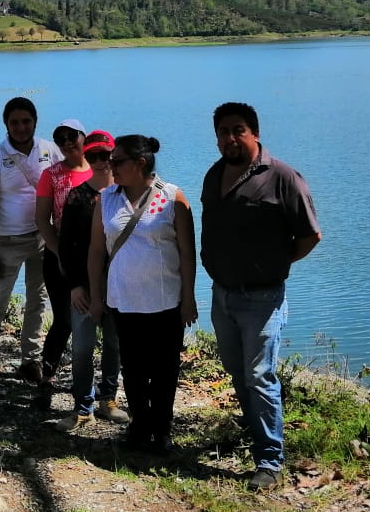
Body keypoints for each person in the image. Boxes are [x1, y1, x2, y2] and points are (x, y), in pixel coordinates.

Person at [200, 102, 321, 491]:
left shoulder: (283, 177)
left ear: (254, 133)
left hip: (262, 297)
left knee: (259, 375)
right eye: (223, 132)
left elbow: (309, 236)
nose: (230, 138)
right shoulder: (214, 175)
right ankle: (255, 432)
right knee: (238, 373)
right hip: (223, 294)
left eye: (238, 130)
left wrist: (273, 264)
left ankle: (269, 460)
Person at [88, 134, 196, 453]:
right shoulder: (105, 199)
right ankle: (139, 427)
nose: (111, 166)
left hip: (166, 302)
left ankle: (161, 430)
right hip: (123, 300)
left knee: (164, 370)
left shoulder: (173, 197)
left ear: (141, 163)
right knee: (133, 369)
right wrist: (96, 296)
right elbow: (96, 252)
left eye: (117, 161)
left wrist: (189, 298)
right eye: (110, 160)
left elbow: (187, 252)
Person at [0, 97, 63, 399]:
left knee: (38, 301)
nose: (21, 127)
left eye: (26, 121)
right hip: (7, 241)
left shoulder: (50, 150)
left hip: (42, 237)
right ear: (6, 125)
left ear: (35, 121)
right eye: (14, 122)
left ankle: (30, 360)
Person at [53, 130, 128, 432]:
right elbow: (66, 246)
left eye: (105, 156)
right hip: (84, 287)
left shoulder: (125, 195)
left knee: (114, 344)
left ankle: (108, 399)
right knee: (82, 348)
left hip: (119, 287)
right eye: (93, 156)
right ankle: (83, 406)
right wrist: (74, 285)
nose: (100, 162)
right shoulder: (77, 197)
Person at [35, 118, 94, 403]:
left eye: (73, 136)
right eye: (61, 139)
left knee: (97, 318)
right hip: (59, 255)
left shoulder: (100, 169)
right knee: (64, 320)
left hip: (96, 257)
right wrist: (60, 254)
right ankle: (47, 377)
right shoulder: (52, 174)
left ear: (84, 136)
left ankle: (90, 385)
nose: (68, 142)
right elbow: (42, 221)